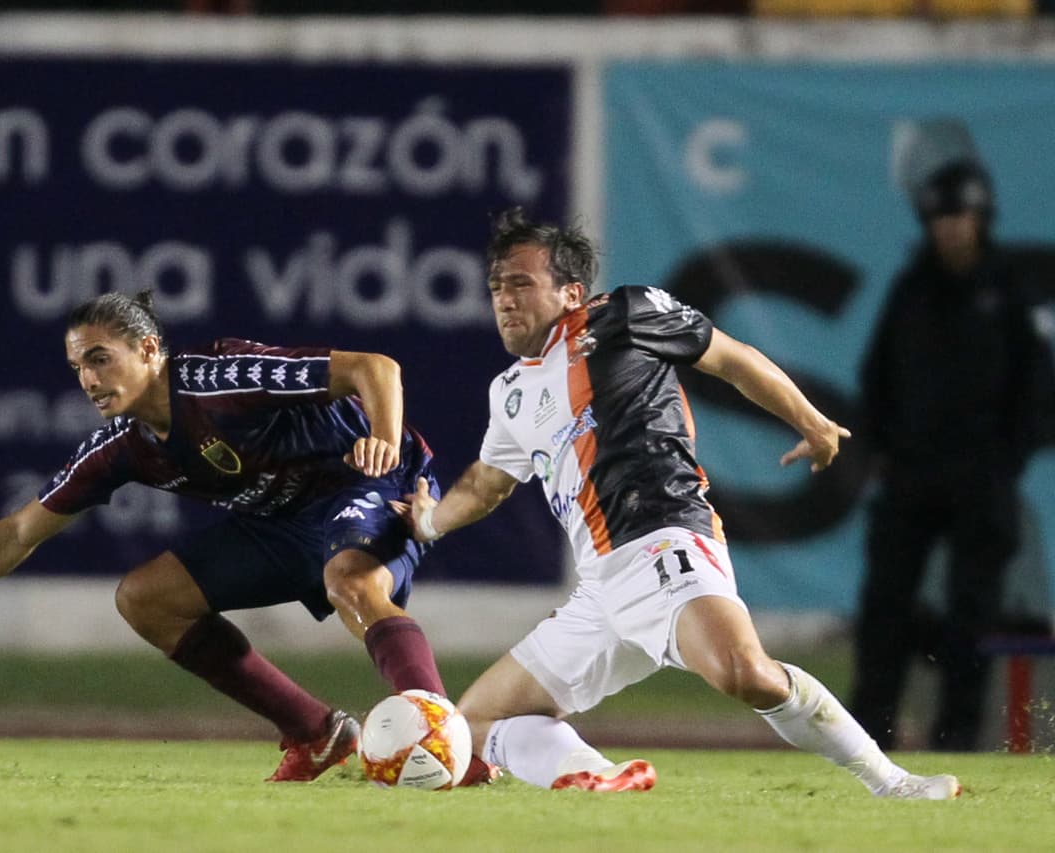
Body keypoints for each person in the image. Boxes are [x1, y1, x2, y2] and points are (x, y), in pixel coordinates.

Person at [393, 207, 960, 798]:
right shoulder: (509, 391)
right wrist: (426, 521)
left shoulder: (624, 315)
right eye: (496, 288)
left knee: (744, 673)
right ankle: (598, 778)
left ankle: (893, 782)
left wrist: (811, 421)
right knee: (475, 722)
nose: (505, 300)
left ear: (571, 292)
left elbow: (731, 358)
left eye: (521, 284)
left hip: (663, 538)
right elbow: (486, 484)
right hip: (600, 586)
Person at [0, 289, 451, 783]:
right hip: (279, 521)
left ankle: (445, 737)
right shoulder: (122, 446)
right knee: (147, 599)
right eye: (77, 367)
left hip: (368, 483)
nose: (88, 380)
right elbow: (17, 533)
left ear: (148, 349)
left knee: (351, 582)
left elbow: (375, 367)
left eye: (100, 359)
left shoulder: (219, 378)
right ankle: (317, 733)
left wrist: (384, 440)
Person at [850, 159, 1055, 751]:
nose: (951, 227)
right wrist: (885, 450)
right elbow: (877, 375)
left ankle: (957, 737)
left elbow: (1037, 387)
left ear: (981, 218)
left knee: (973, 613)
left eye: (961, 215)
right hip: (911, 473)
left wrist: (1004, 462)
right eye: (940, 217)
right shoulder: (912, 288)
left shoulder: (1008, 291)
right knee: (884, 607)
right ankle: (867, 737)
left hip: (981, 477)